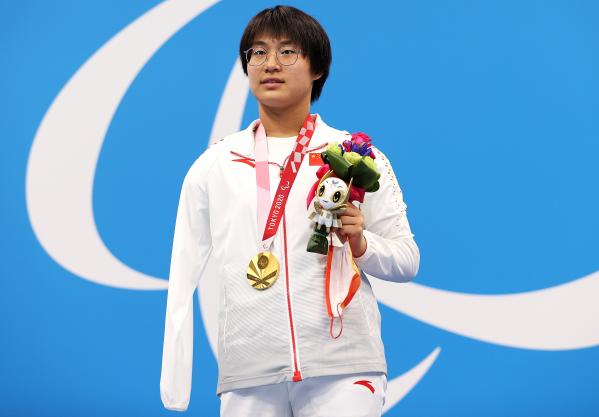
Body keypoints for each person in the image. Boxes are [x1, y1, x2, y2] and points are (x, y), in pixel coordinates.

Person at [160, 5, 419, 416]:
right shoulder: (215, 165)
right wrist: (175, 380)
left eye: (287, 52)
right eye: (257, 53)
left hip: (343, 367)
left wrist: (361, 243)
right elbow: (182, 269)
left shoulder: (356, 159)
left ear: (317, 68)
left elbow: (407, 260)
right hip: (250, 374)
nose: (270, 65)